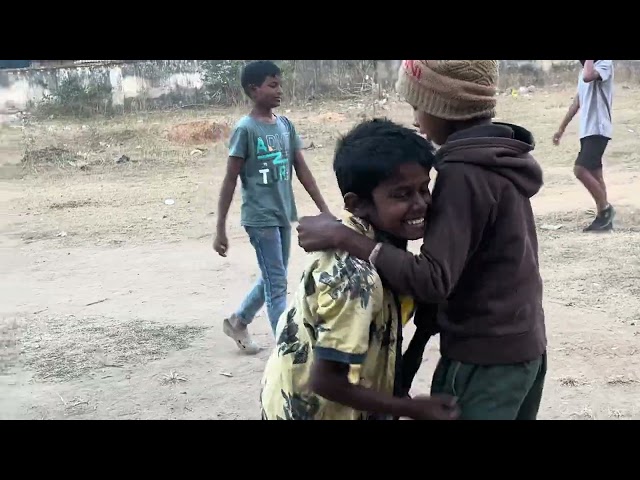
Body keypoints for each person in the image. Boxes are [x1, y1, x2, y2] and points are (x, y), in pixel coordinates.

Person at [297, 60, 548, 420]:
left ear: (443, 108)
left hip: (485, 356)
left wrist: (344, 236)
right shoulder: (500, 159)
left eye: (418, 106)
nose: (416, 119)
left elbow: (433, 280)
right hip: (522, 346)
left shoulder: (463, 173)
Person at [260, 118, 460, 420]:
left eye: (424, 189)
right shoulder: (355, 276)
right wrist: (412, 408)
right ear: (357, 204)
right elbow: (326, 380)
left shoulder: (383, 245)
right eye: (402, 194)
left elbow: (388, 347)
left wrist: (422, 331)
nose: (421, 203)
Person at [213, 60, 329, 353]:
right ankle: (286, 348)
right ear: (254, 89)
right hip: (259, 218)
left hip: (281, 214)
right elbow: (229, 181)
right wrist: (220, 230)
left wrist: (324, 209)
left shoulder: (285, 126)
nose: (279, 90)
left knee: (273, 276)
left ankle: (239, 321)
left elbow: (302, 170)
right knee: (277, 284)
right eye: (272, 85)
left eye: (280, 84)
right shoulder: (245, 130)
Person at [553, 60, 615, 232]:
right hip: (588, 130)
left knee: (580, 169)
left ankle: (606, 210)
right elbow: (576, 103)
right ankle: (604, 221)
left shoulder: (604, 64)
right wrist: (561, 129)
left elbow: (589, 77)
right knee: (596, 174)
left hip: (599, 127)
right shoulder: (584, 72)